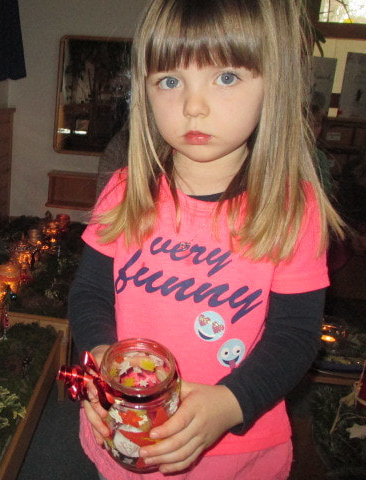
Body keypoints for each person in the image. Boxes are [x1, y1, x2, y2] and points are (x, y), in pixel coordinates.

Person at [67, 1, 345, 479]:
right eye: (170, 81)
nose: (193, 106)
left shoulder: (294, 210)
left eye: (226, 77)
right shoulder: (125, 191)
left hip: (237, 454)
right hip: (128, 432)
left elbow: (295, 336)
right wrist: (101, 358)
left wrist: (231, 403)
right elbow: (90, 294)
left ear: (272, 85)